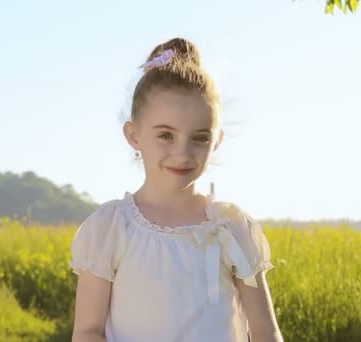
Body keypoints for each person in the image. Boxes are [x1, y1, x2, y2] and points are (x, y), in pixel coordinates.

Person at [69, 37, 283, 342]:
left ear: (217, 140)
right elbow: (88, 332)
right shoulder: (111, 228)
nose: (183, 153)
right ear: (134, 135)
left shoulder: (231, 228)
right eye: (166, 135)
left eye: (199, 138)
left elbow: (265, 332)